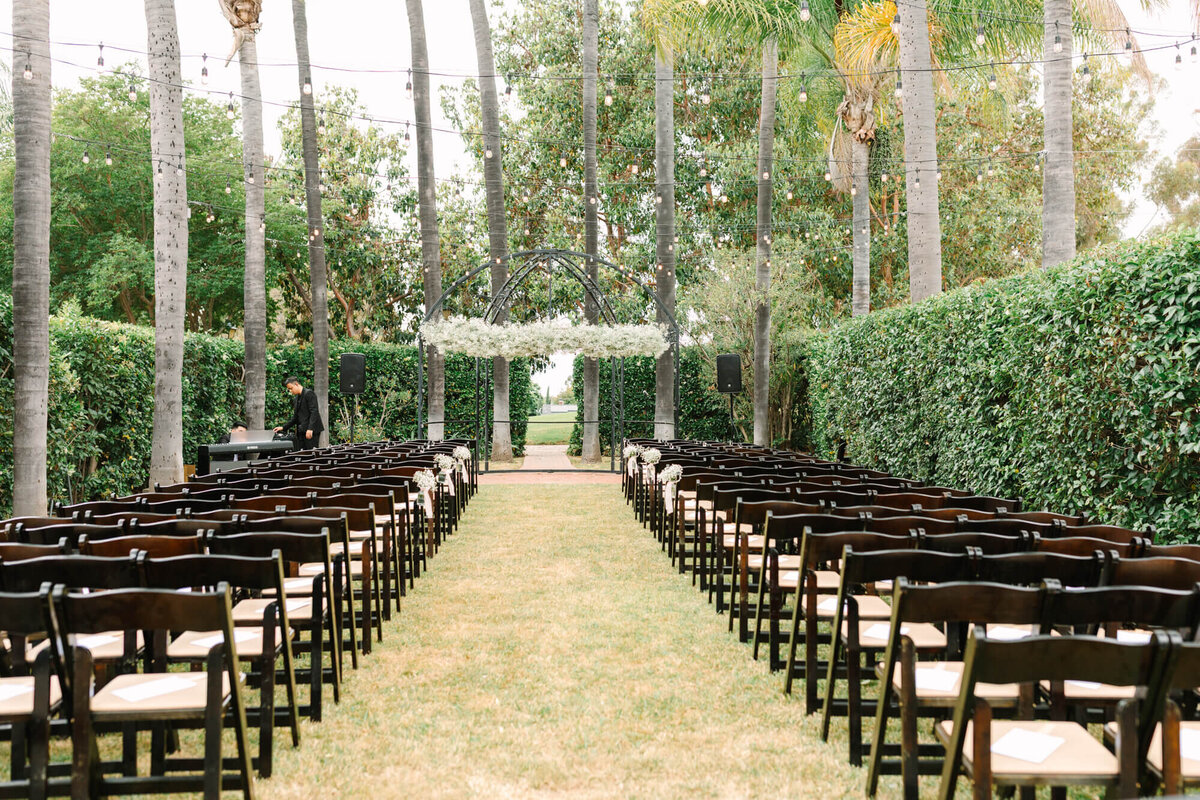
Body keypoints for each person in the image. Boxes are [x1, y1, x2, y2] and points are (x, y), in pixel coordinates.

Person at [274, 376, 324, 449]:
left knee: (311, 454)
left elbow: (314, 412)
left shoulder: (309, 393)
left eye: (291, 388)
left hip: (311, 430)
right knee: (301, 454)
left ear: (296, 384)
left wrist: (310, 429)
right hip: (302, 430)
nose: (290, 391)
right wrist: (283, 427)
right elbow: (295, 417)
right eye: (289, 389)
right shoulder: (296, 398)